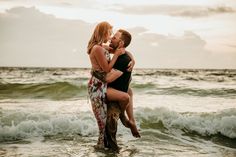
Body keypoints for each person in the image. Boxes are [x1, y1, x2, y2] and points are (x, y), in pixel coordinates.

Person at [87, 21, 135, 149]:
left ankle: (105, 149)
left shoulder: (102, 46)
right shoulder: (97, 48)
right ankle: (102, 149)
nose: (111, 35)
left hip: (103, 85)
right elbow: (107, 69)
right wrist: (117, 55)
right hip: (98, 87)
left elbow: (123, 51)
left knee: (128, 92)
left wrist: (133, 60)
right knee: (102, 123)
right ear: (104, 32)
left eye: (113, 34)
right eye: (110, 32)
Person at [107, 29, 140, 138]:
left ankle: (123, 116)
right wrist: (133, 59)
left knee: (126, 95)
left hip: (109, 89)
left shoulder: (122, 60)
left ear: (121, 43)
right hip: (117, 88)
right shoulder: (119, 52)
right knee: (129, 91)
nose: (111, 38)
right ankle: (132, 120)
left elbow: (108, 80)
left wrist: (95, 73)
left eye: (114, 37)